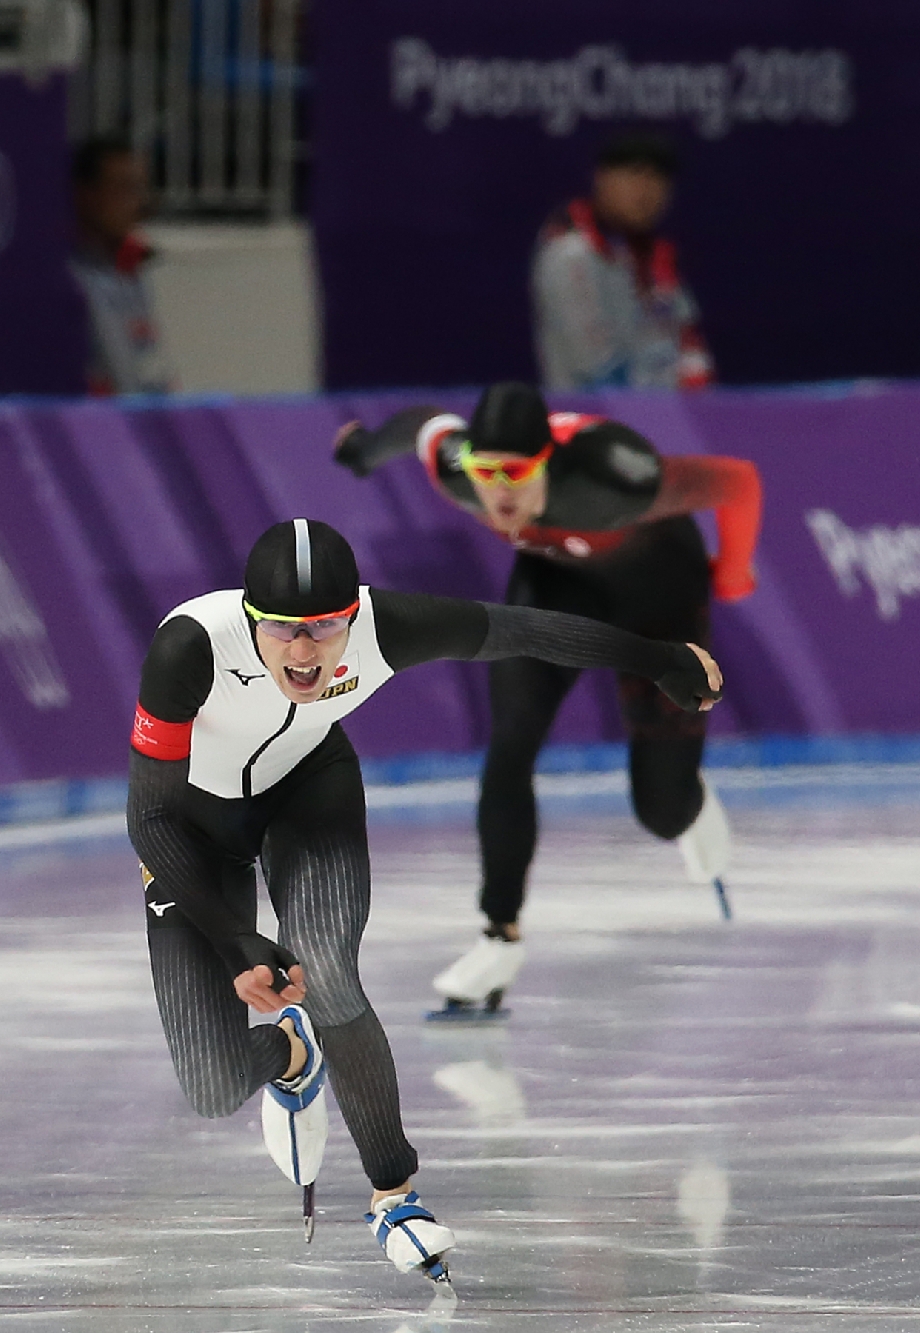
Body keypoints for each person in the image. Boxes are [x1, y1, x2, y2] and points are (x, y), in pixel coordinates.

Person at [127, 517, 722, 1285]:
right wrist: (231, 934)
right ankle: (293, 1054)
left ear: (355, 614)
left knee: (329, 968)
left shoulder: (386, 628)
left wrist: (659, 660)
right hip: (190, 827)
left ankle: (393, 1192)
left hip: (309, 795)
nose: (305, 652)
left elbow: (524, 629)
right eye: (284, 631)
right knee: (210, 1087)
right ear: (251, 618)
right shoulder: (191, 648)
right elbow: (149, 817)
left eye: (326, 627)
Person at [334, 383, 760, 1014]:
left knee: (660, 810)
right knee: (510, 742)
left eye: (516, 474)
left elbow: (737, 480)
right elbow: (424, 425)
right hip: (557, 582)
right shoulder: (456, 470)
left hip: (656, 585)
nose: (498, 494)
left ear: (549, 464)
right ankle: (497, 935)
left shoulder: (614, 477)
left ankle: (688, 804)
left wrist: (732, 571)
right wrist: (368, 451)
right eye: (486, 472)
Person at [532, 132, 713, 391]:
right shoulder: (571, 251)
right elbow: (597, 366)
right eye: (634, 174)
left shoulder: (655, 257)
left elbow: (689, 345)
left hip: (666, 419)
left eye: (658, 178)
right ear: (601, 179)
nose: (647, 190)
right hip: (592, 420)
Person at [69, 135, 173, 395]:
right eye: (124, 188)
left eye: (141, 188)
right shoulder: (68, 278)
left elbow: (147, 359)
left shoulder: (131, 268)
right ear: (87, 194)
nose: (137, 203)